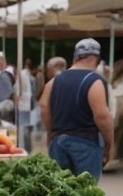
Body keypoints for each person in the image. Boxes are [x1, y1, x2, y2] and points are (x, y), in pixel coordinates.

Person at [39, 38, 114, 181]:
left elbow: (43, 107)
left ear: (75, 56)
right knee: (87, 194)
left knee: (61, 191)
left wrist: (50, 134)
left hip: (58, 142)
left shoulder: (55, 81)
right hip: (86, 144)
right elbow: (102, 116)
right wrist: (110, 144)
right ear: (96, 58)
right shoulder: (93, 80)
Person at [17, 58, 35, 152]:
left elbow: (22, 89)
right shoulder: (28, 74)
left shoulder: (23, 74)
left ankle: (26, 148)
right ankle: (28, 148)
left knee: (24, 128)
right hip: (28, 104)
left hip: (24, 104)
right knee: (27, 128)